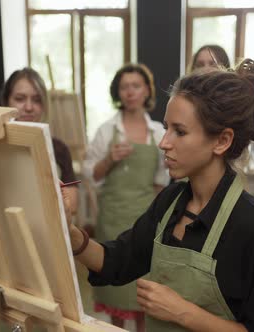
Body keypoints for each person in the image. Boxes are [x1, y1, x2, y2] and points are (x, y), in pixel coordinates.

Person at [65, 58, 254, 332]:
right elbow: (117, 262)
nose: (164, 143)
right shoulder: (171, 201)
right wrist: (70, 233)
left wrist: (184, 313)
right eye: (166, 128)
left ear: (222, 141)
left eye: (180, 131)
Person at [81, 63, 170, 330]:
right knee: (116, 290)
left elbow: (161, 181)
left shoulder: (157, 132)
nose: (130, 92)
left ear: (146, 91)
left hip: (145, 221)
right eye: (124, 87)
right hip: (112, 219)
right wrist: (110, 158)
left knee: (143, 290)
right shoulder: (107, 130)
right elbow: (91, 174)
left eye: (136, 85)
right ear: (118, 93)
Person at [1, 68, 78, 215]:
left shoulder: (58, 148)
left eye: (37, 100)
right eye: (20, 98)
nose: (29, 107)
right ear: (6, 101)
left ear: (44, 105)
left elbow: (72, 205)